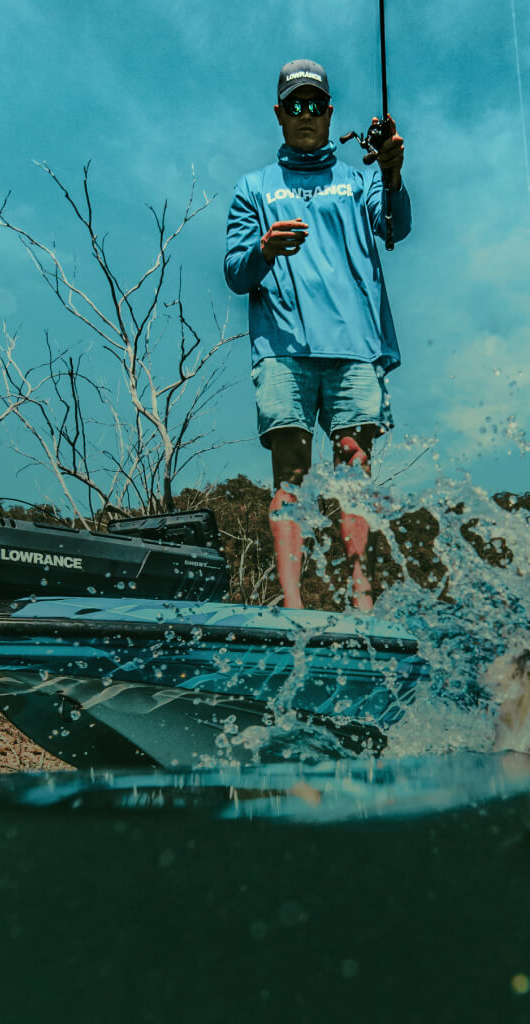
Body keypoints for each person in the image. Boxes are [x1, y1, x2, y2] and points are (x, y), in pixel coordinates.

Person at [224, 58, 410, 611]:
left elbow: (395, 226)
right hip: (283, 351)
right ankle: (293, 608)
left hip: (355, 348)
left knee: (357, 474)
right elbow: (235, 274)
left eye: (314, 105)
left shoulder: (359, 179)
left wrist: (392, 173)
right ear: (279, 115)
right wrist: (264, 249)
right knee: (290, 477)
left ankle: (363, 603)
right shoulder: (253, 188)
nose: (305, 115)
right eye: (294, 105)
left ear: (330, 114)